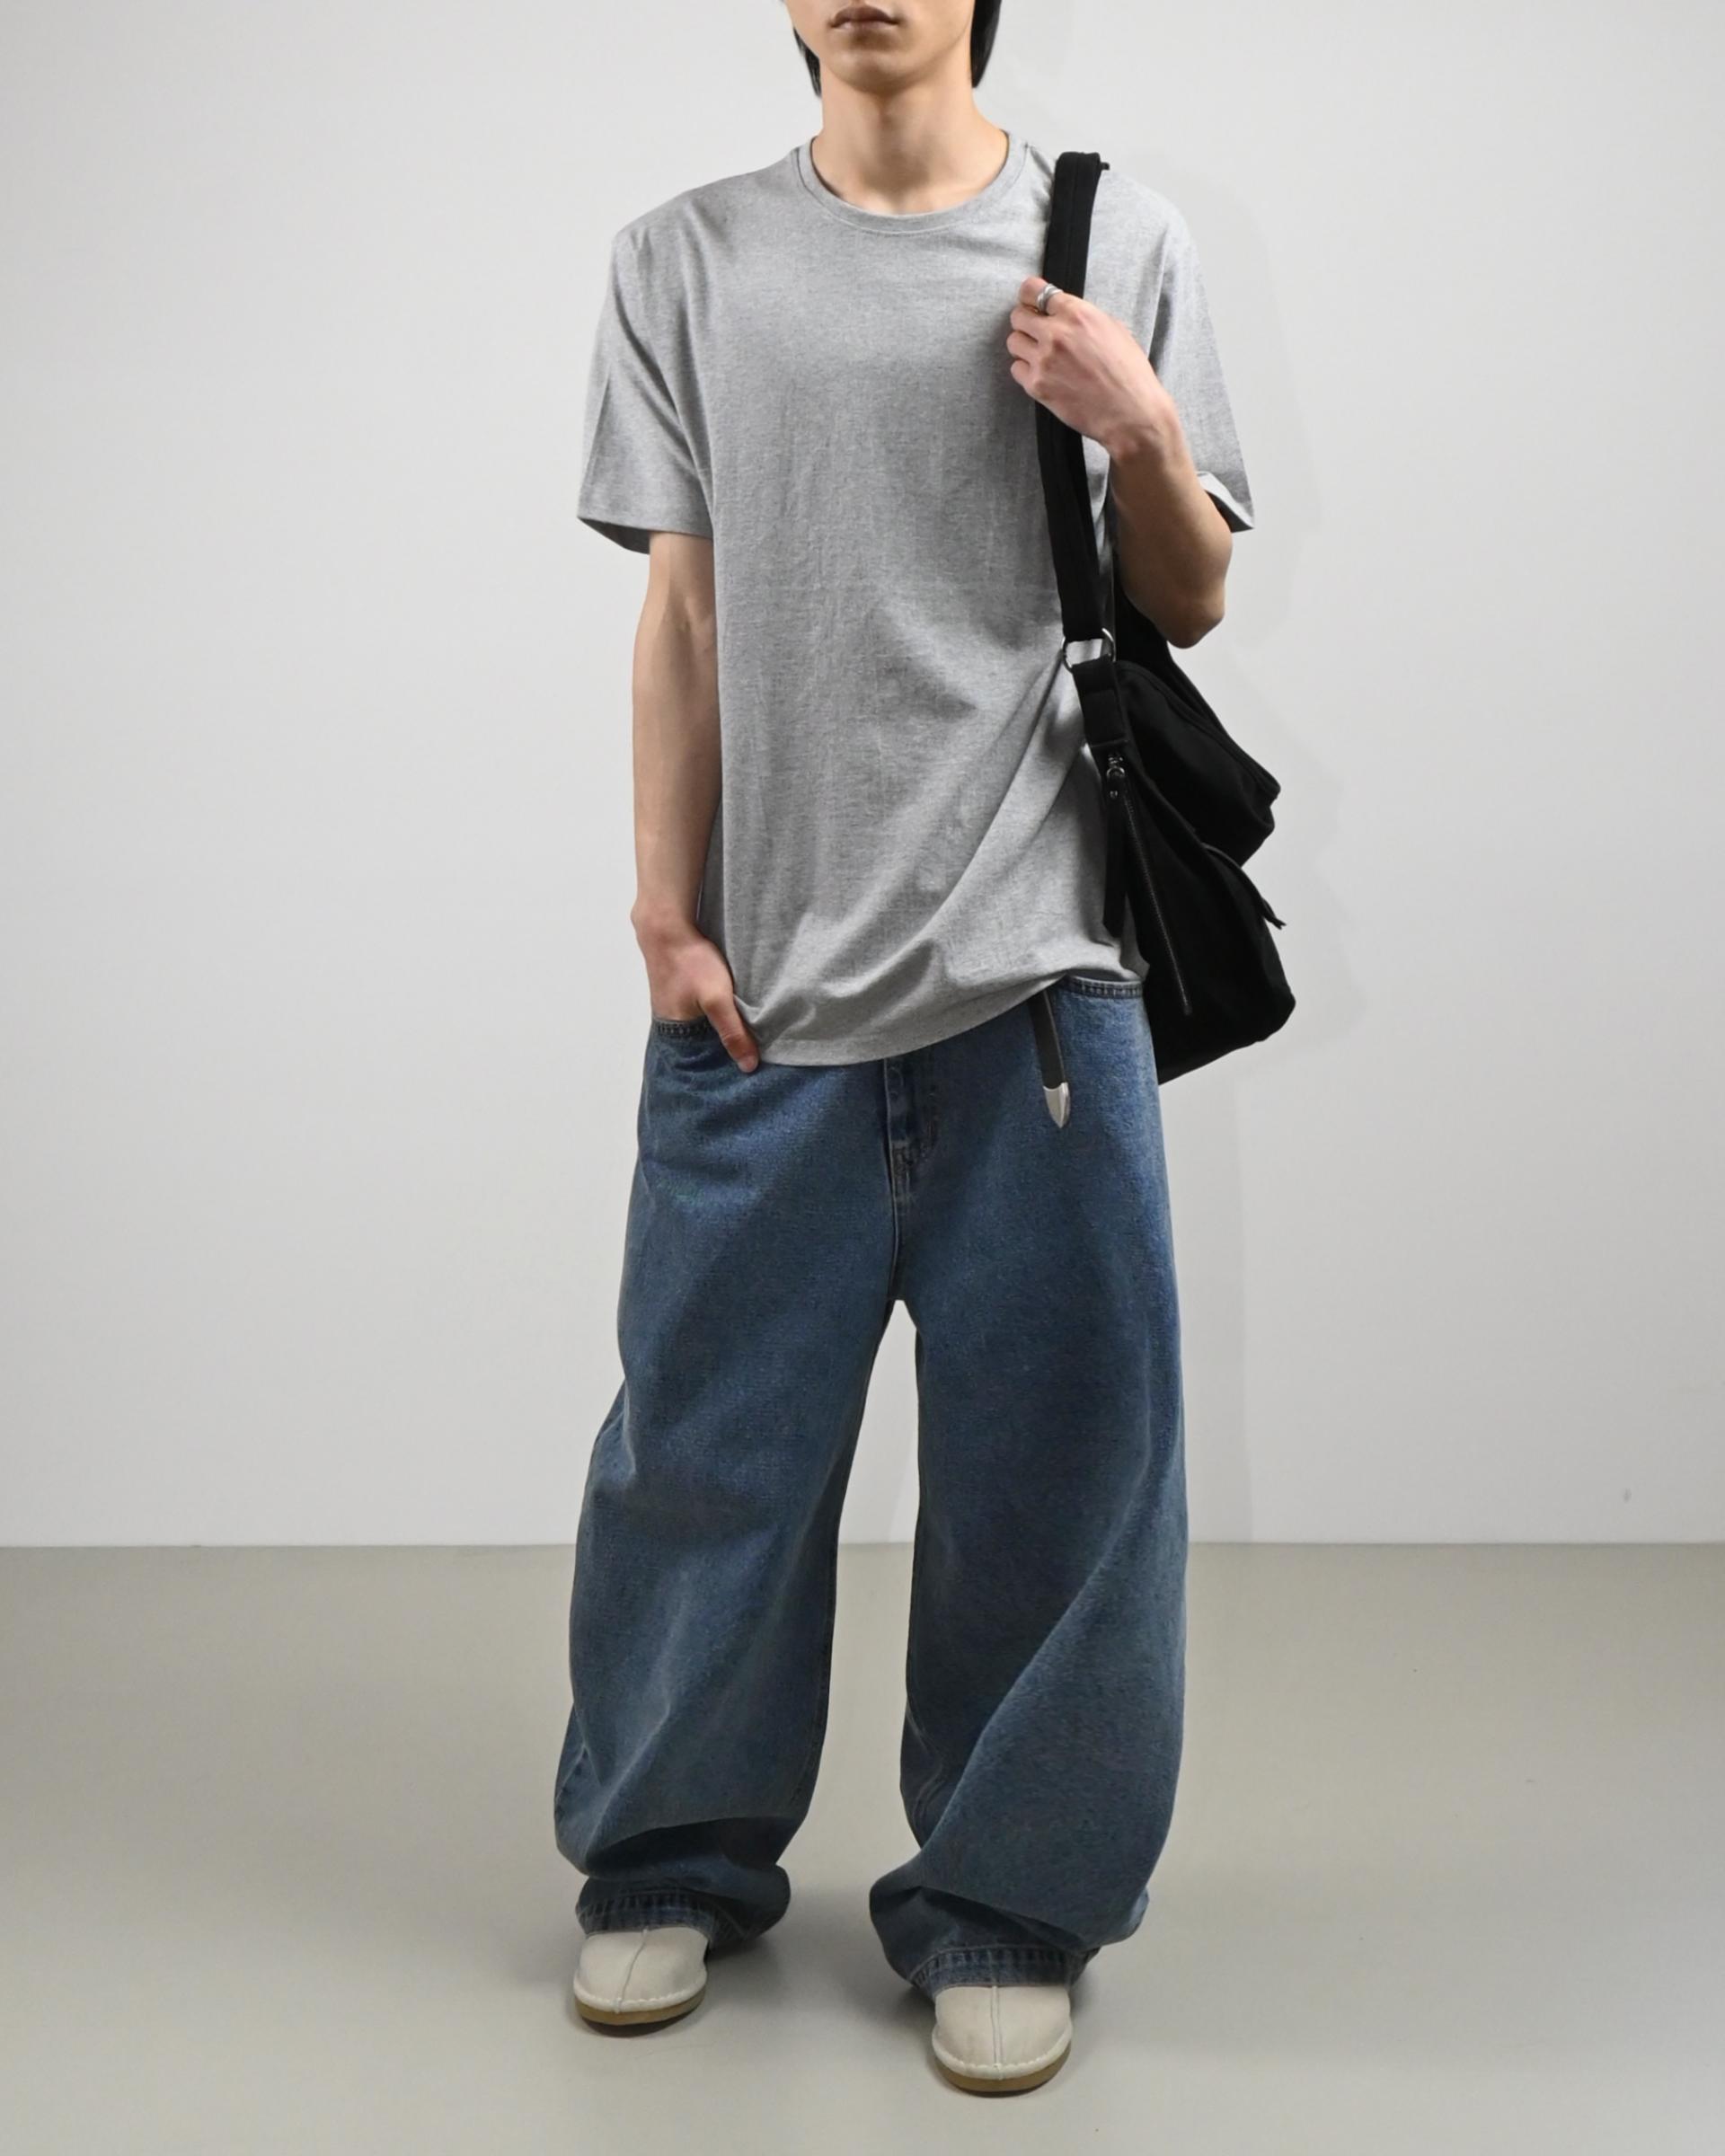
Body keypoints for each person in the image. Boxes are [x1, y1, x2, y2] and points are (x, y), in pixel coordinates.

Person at [552, 0, 1254, 2096]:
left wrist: (1139, 423)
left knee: (1062, 1470)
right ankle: (667, 1860)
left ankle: (1009, 1903)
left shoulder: (1116, 237)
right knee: (702, 1461)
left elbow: (1192, 598)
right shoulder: (682, 261)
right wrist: (664, 912)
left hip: (1043, 979)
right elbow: (684, 616)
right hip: (764, 993)